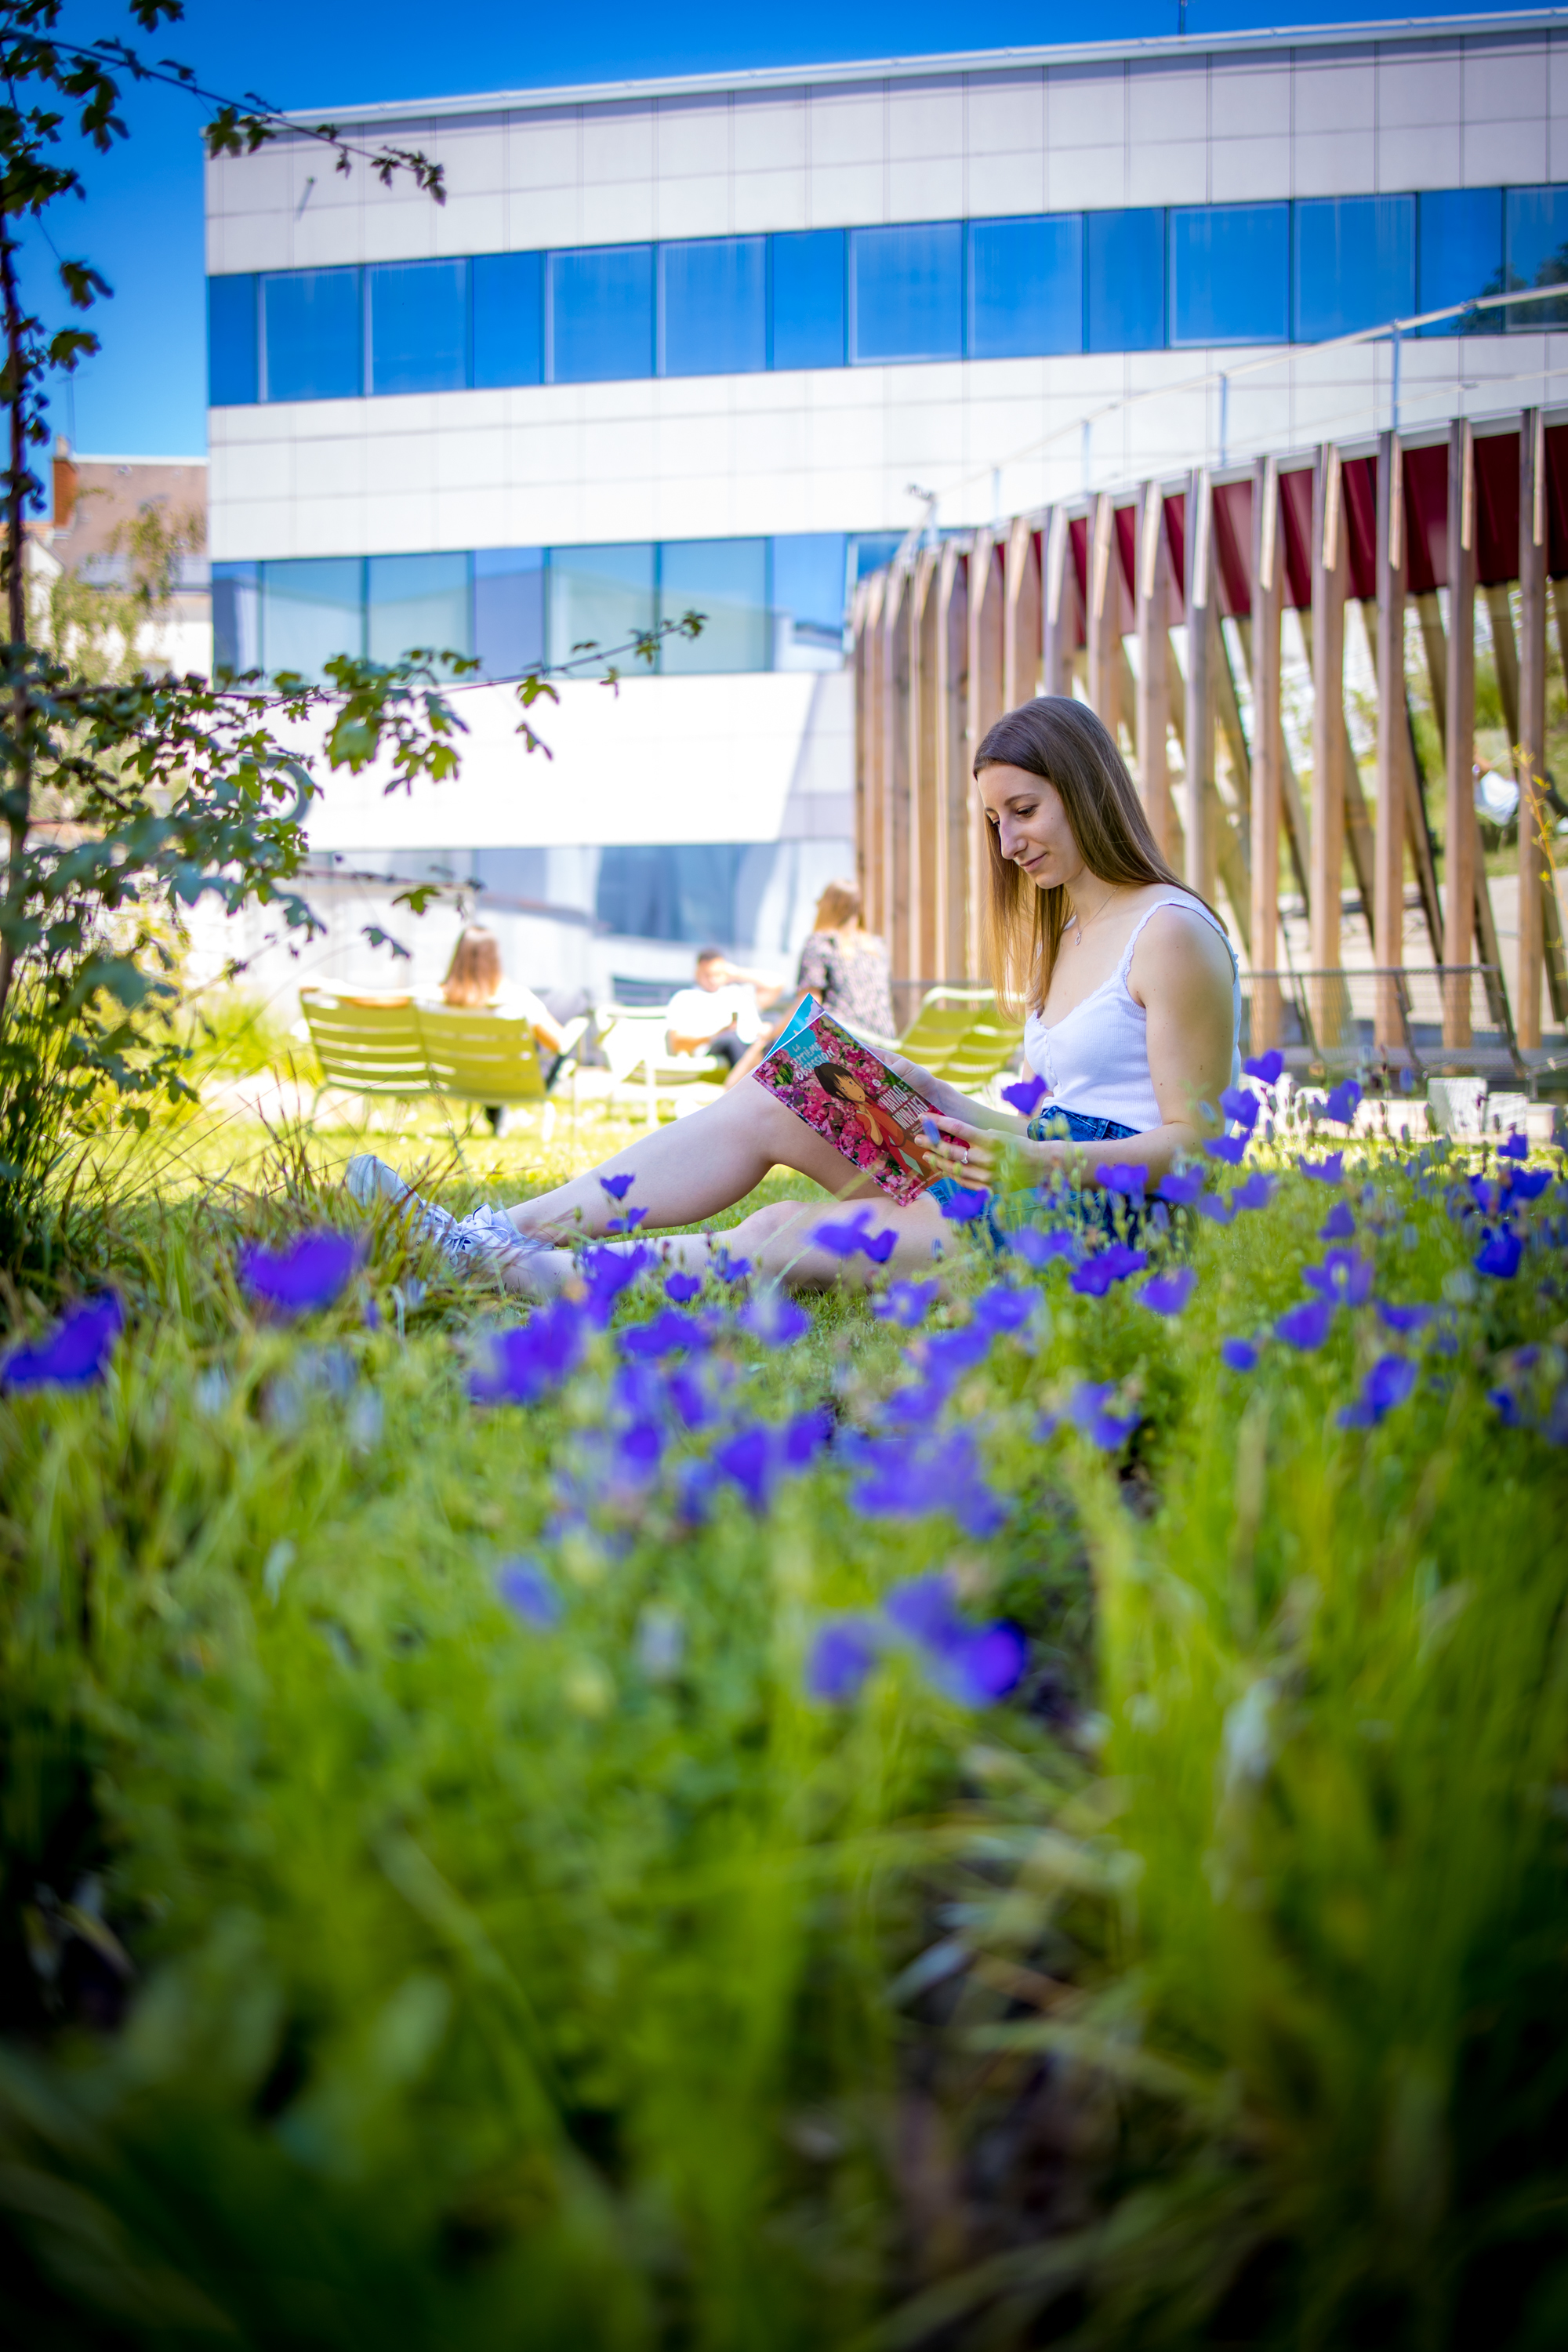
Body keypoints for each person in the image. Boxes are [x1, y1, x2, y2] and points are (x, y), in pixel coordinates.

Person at [347, 696, 1239, 1292]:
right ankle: (492, 1233)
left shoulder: (1169, 933)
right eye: (994, 820)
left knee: (782, 1230)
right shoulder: (1072, 930)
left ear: (1084, 789)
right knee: (781, 1094)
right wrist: (933, 1095)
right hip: (1042, 1179)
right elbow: (1066, 1119)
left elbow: (1197, 1145)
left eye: (1024, 811)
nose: (1006, 844)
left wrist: (1029, 1163)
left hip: (1110, 1228)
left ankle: (522, 1275)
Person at [724, 880, 895, 1087]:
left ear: (828, 906)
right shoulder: (877, 947)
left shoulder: (821, 943)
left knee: (766, 1050)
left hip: (842, 1041)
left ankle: (726, 1097)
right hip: (883, 1045)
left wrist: (774, 1031)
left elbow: (809, 1005)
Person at [433, 924, 571, 1134]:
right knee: (571, 1007)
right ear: (494, 959)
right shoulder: (517, 999)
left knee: (487, 1060)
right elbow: (559, 1042)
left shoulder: (435, 999)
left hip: (465, 1080)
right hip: (516, 1083)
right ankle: (498, 1112)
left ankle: (497, 1114)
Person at [662, 948, 780, 1072]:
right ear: (697, 973)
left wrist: (736, 973)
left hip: (747, 1041)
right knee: (732, 1039)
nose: (712, 980)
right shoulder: (685, 998)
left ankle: (778, 1080)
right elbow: (677, 1043)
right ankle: (755, 1080)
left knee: (775, 1030)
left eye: (717, 974)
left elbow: (776, 984)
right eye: (708, 975)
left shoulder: (736, 993)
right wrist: (715, 1035)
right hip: (712, 1047)